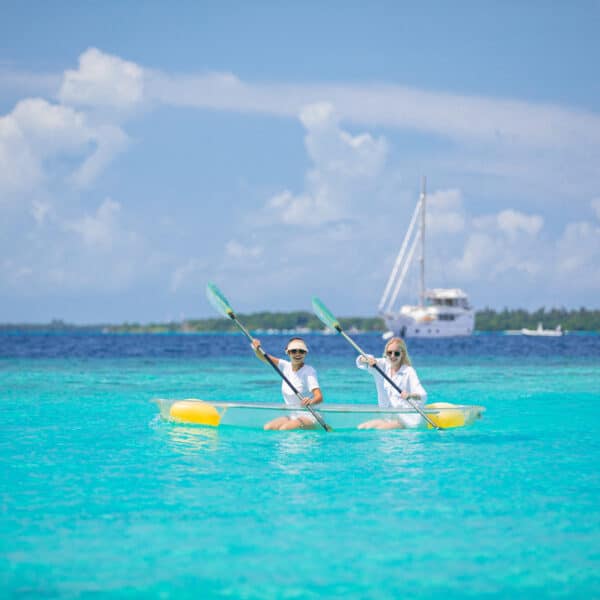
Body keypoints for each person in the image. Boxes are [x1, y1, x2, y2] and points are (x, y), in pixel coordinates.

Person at [251, 337, 323, 430]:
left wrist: (311, 401)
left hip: (310, 416)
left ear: (305, 353)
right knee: (268, 427)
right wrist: (256, 348)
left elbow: (319, 397)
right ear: (287, 352)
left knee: (284, 428)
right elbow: (264, 357)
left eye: (301, 351)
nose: (297, 354)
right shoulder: (285, 366)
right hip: (292, 415)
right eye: (294, 351)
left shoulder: (309, 371)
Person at [356, 337, 427, 429]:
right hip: (388, 417)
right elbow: (360, 360)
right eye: (389, 353)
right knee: (362, 427)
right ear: (386, 353)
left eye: (396, 353)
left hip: (406, 419)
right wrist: (366, 360)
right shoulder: (381, 365)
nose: (392, 356)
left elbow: (423, 395)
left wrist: (410, 395)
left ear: (402, 355)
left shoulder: (409, 371)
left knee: (380, 429)